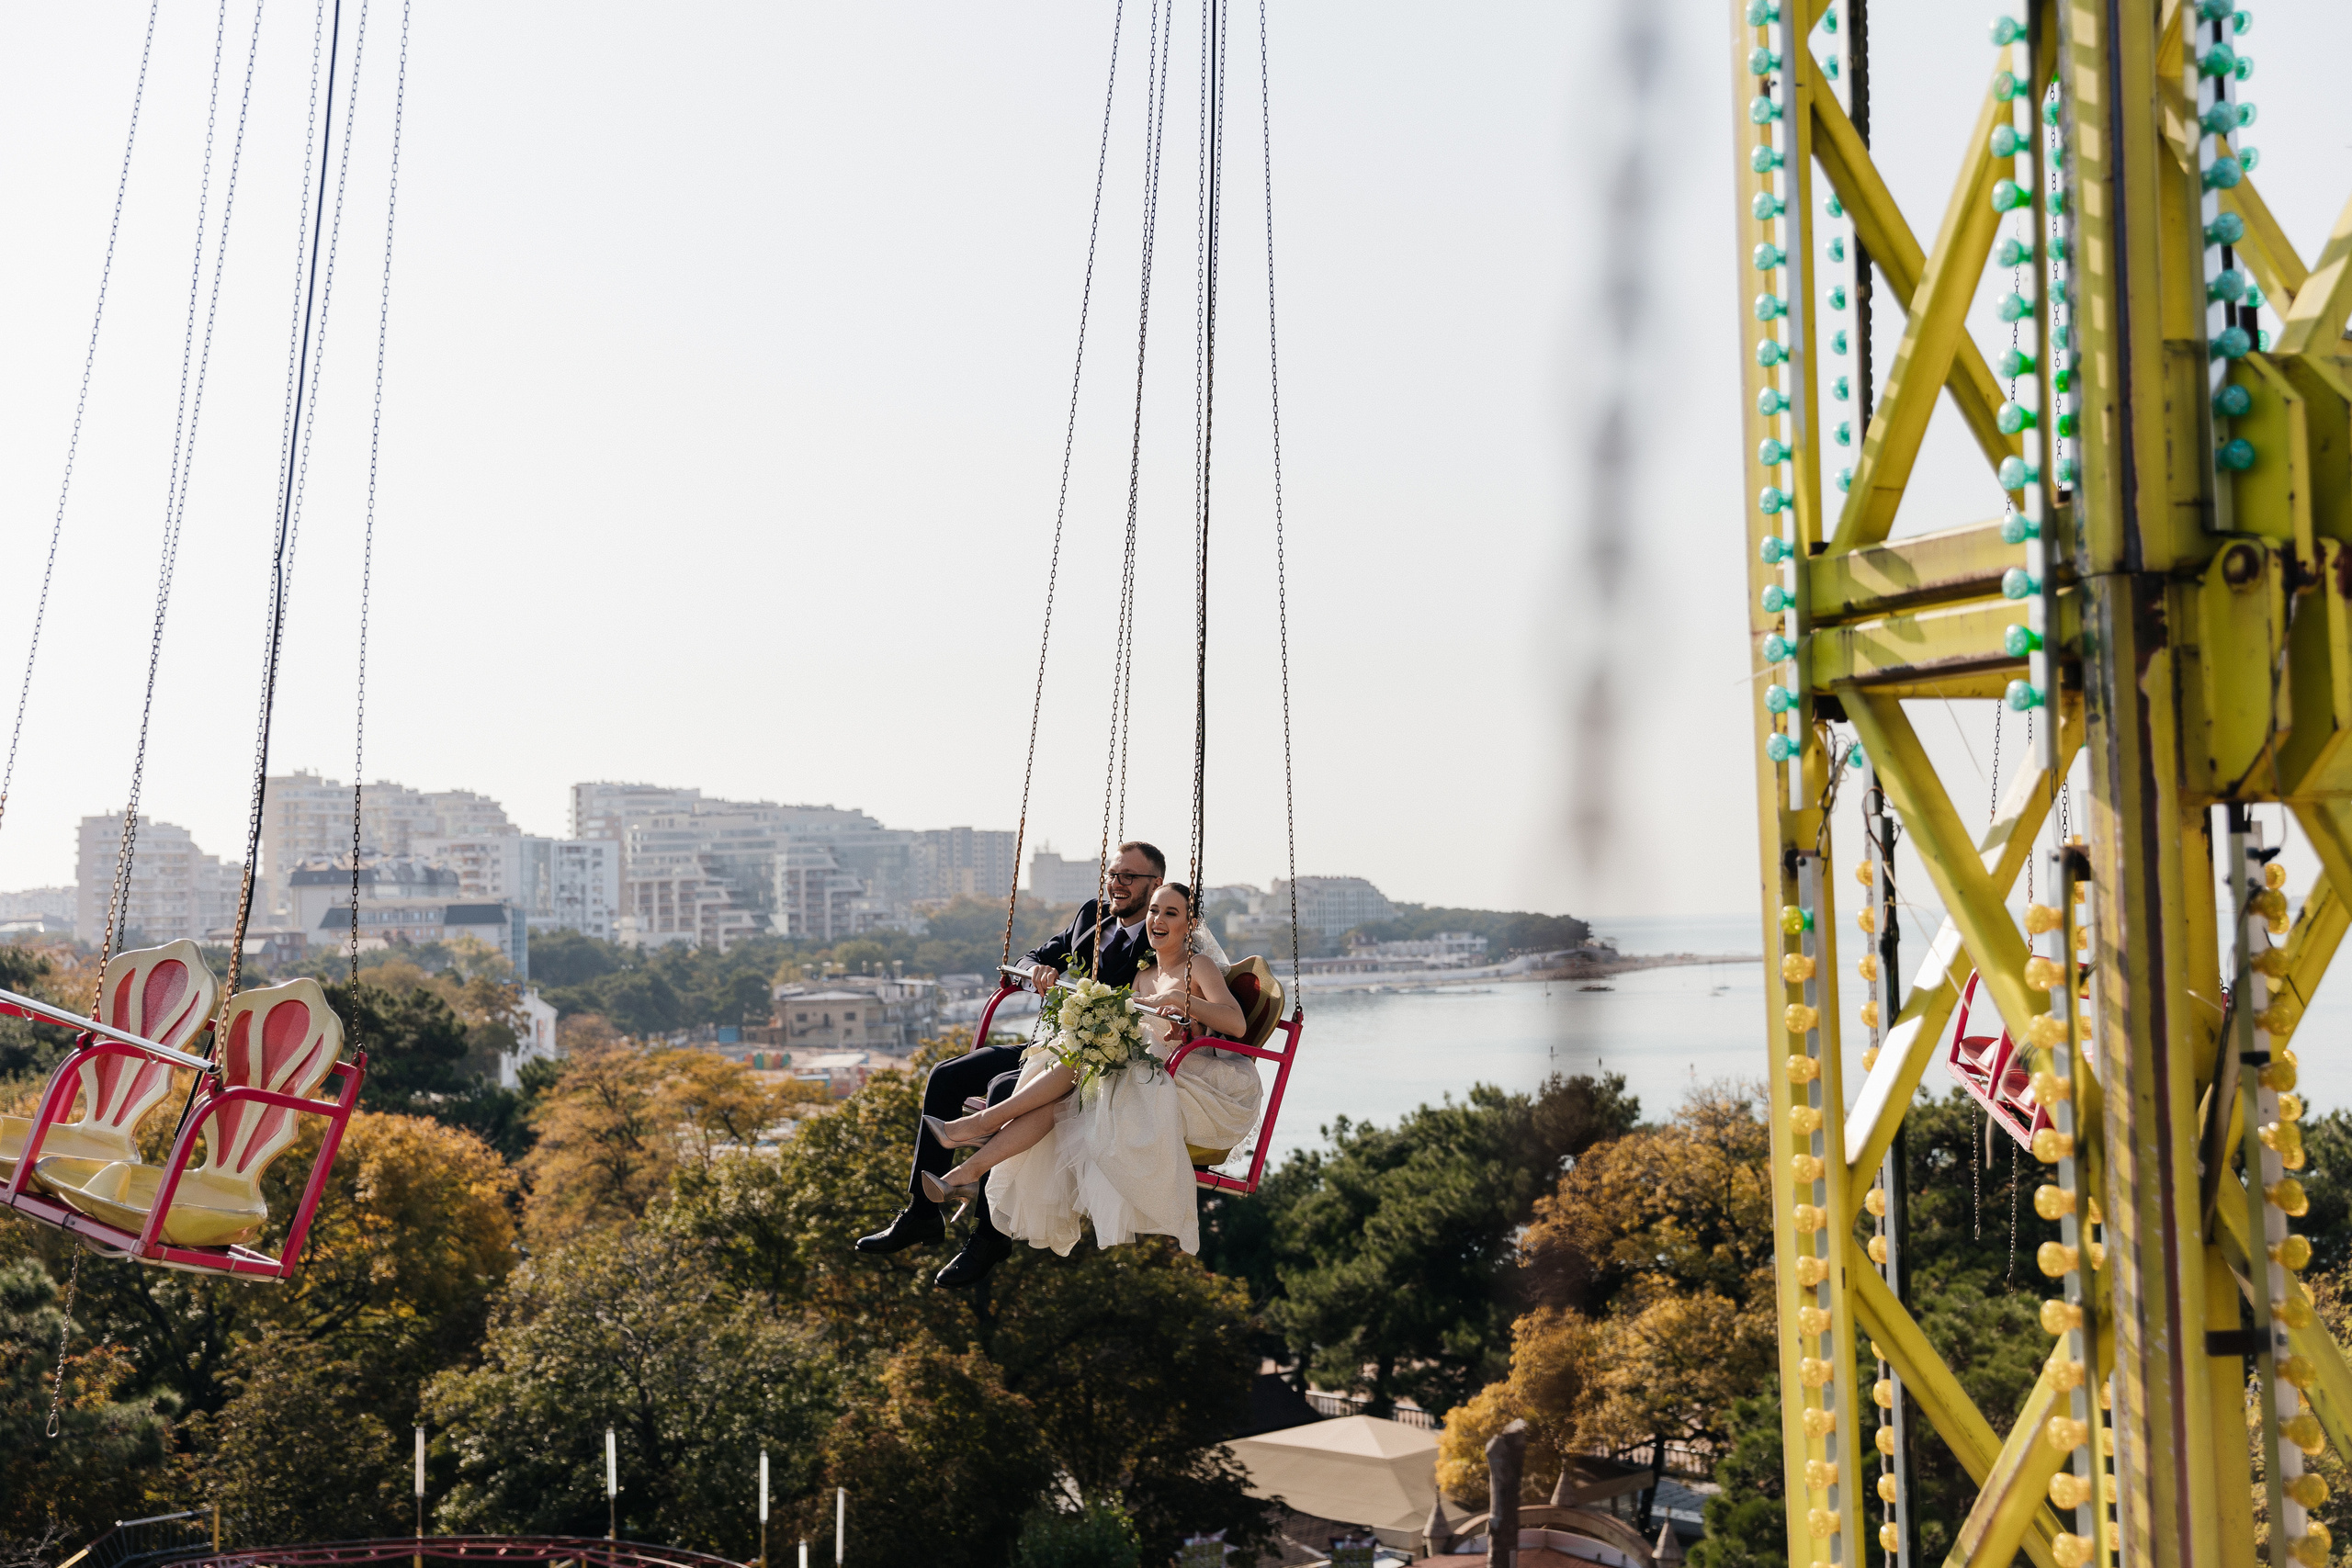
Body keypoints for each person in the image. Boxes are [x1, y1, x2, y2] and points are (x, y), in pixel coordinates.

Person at [855, 839, 1166, 1286]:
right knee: (948, 1076)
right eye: (1113, 874)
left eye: (1129, 877)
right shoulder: (1091, 916)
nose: (1116, 885)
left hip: (1094, 1065)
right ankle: (922, 1213)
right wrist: (1040, 971)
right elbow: (1032, 957)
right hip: (1047, 1045)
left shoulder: (1161, 940)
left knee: (1005, 1087)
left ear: (1154, 885)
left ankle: (988, 1236)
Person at [917, 881, 1263, 1258]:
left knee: (1079, 1060)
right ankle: (964, 1178)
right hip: (1141, 1068)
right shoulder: (1144, 973)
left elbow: (1236, 1025)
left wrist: (1184, 1000)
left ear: (1189, 924)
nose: (1157, 920)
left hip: (1182, 1077)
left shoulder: (1199, 967)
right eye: (1153, 911)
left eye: (1171, 913)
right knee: (1061, 1099)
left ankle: (980, 1127)